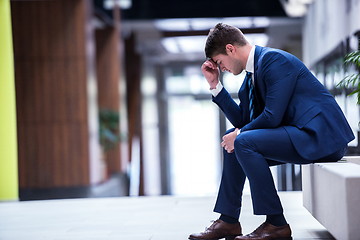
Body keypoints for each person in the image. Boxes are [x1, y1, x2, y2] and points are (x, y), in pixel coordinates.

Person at [188, 23, 355, 240]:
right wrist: (215, 86)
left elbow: (272, 116)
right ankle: (228, 220)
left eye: (220, 62)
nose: (222, 68)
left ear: (230, 49)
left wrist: (239, 136)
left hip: (321, 137)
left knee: (242, 141)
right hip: (298, 133)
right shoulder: (249, 78)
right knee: (236, 140)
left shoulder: (274, 60)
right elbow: (243, 122)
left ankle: (276, 223)